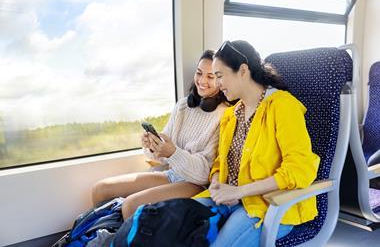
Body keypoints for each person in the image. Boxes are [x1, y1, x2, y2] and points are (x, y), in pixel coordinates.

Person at [194, 40, 320, 247]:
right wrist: (217, 184)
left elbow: (300, 169)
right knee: (177, 224)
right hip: (227, 198)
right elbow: (220, 162)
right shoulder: (231, 115)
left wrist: (239, 192)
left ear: (243, 70)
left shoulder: (282, 106)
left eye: (219, 76)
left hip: (270, 205)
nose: (217, 84)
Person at [92, 50, 230, 219]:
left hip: (197, 184)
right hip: (172, 174)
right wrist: (152, 145)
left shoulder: (224, 114)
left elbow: (203, 174)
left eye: (210, 76)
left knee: (131, 206)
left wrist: (173, 153)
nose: (202, 81)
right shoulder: (183, 106)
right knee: (101, 189)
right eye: (199, 73)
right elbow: (162, 157)